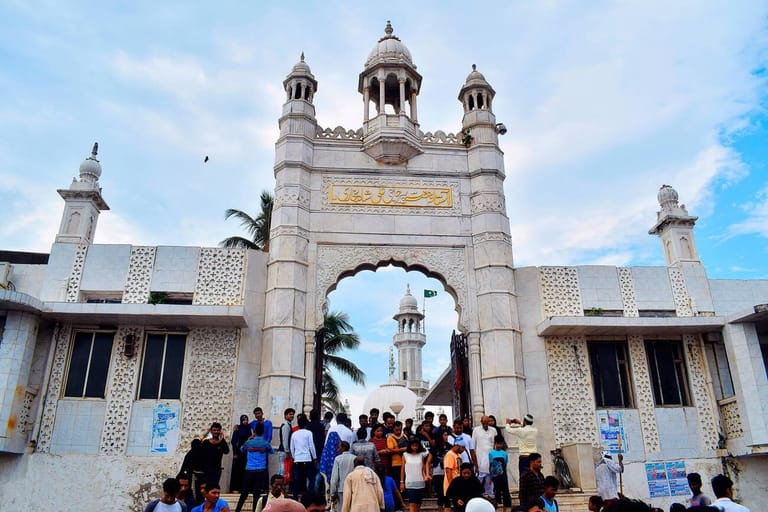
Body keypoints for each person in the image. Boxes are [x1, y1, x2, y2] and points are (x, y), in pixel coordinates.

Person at [236, 422, 274, 512]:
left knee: (244, 493)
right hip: (260, 471)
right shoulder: (265, 443)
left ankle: (237, 510)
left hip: (249, 469)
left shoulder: (248, 442)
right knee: (256, 494)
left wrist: (249, 438)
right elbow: (271, 451)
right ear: (263, 432)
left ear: (254, 431)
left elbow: (241, 449)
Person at [289, 414, 317, 500]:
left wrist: (294, 457)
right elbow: (311, 446)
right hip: (307, 459)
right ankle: (309, 497)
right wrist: (314, 457)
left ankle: (295, 497)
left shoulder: (294, 434)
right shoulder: (309, 433)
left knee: (297, 480)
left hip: (297, 459)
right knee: (310, 479)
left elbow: (291, 447)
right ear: (306, 424)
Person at [401, 437, 431, 512]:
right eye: (413, 445)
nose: (415, 447)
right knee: (412, 504)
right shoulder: (405, 455)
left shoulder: (421, 455)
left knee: (418, 504)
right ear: (410, 446)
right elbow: (402, 469)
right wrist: (401, 482)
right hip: (410, 483)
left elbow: (423, 467)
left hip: (420, 482)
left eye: (416, 445)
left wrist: (426, 476)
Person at [472, 415, 496, 496]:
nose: (486, 424)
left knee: (490, 478)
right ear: (481, 422)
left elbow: (494, 444)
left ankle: (490, 495)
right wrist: (474, 460)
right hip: (480, 458)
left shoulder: (493, 430)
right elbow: (473, 445)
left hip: (490, 457)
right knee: (479, 477)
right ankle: (477, 494)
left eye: (487, 423)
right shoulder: (476, 430)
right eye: (484, 423)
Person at [200, 423, 230, 487]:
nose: (216, 432)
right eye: (214, 430)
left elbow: (226, 451)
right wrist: (205, 434)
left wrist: (222, 439)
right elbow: (197, 446)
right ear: (211, 431)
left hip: (216, 469)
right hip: (206, 469)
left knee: (214, 486)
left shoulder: (221, 443)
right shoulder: (206, 442)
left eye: (218, 430)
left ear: (220, 431)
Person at [330, 441, 357, 511]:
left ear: (343, 448)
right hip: (353, 488)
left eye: (339, 447)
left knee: (341, 509)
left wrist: (332, 492)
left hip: (341, 489)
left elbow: (334, 478)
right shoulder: (355, 458)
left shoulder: (338, 459)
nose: (338, 449)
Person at [430, 429, 452, 512]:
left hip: (447, 473)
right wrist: (428, 472)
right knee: (440, 494)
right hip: (437, 472)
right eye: (445, 435)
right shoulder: (435, 447)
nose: (446, 437)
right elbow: (429, 460)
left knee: (447, 494)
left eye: (447, 435)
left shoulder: (450, 447)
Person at [231, 415, 253, 494]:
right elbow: (234, 442)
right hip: (238, 453)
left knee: (245, 471)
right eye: (244, 420)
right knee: (237, 470)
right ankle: (235, 488)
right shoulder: (238, 428)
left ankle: (244, 488)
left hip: (246, 453)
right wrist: (235, 452)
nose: (245, 421)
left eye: (246, 420)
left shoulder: (248, 429)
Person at [489, 435, 511, 511]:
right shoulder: (491, 453)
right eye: (497, 443)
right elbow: (491, 465)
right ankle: (497, 509)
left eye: (500, 444)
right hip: (495, 476)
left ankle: (505, 509)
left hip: (503, 476)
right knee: (497, 492)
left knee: (505, 492)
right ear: (495, 443)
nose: (499, 445)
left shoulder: (504, 453)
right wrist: (491, 477)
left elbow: (505, 464)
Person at [278, 408, 296, 482]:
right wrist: (287, 451)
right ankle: (279, 484)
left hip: (283, 451)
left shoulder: (288, 425)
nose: (292, 416)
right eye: (290, 414)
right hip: (284, 451)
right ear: (285, 416)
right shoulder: (286, 426)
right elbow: (285, 439)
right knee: (283, 469)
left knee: (283, 468)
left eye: (293, 414)